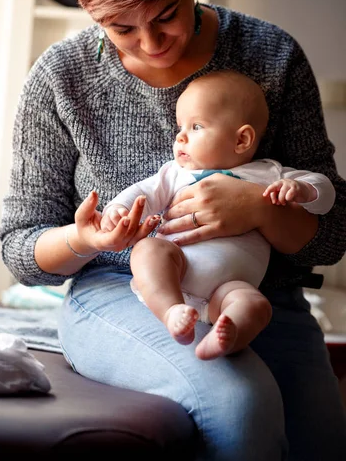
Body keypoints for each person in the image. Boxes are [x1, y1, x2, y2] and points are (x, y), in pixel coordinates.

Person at [0, 0, 346, 460]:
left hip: (257, 296)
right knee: (242, 403)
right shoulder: (60, 77)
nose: (151, 44)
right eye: (121, 28)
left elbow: (334, 234)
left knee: (324, 443)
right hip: (121, 294)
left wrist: (259, 208)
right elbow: (20, 249)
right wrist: (85, 238)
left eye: (166, 16)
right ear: (90, 11)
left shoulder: (271, 56)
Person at [100, 70, 336, 360]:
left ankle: (227, 337)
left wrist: (300, 189)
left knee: (255, 306)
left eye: (196, 126)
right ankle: (171, 311)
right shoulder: (175, 174)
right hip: (177, 268)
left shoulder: (268, 173)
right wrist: (117, 211)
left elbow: (325, 192)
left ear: (242, 140)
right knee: (147, 250)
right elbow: (142, 192)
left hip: (230, 288)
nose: (181, 137)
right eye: (180, 127)